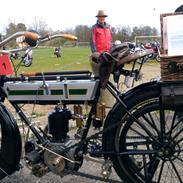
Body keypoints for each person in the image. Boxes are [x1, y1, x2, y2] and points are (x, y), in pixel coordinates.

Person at [89, 10, 114, 129]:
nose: (102, 18)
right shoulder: (94, 28)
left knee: (108, 82)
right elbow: (92, 42)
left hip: (107, 55)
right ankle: (97, 115)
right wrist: (95, 53)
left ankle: (107, 109)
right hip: (99, 56)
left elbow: (110, 41)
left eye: (103, 17)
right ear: (98, 18)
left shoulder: (109, 27)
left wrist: (111, 51)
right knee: (99, 83)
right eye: (100, 17)